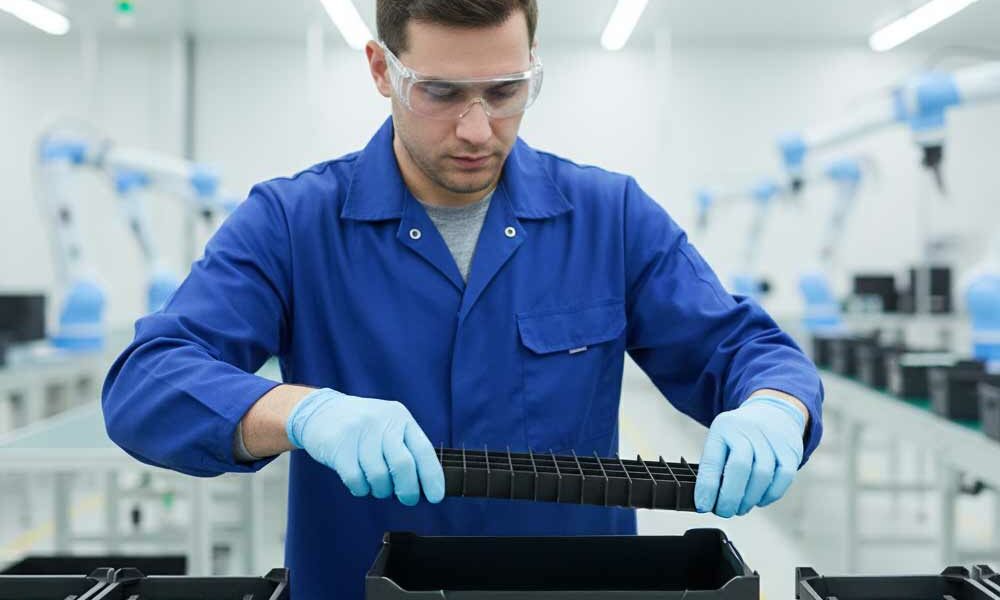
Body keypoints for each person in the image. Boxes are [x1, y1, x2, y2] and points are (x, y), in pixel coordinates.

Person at [102, 1, 823, 597]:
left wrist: (773, 409)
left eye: (506, 92)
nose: (478, 129)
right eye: (441, 93)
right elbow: (146, 381)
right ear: (382, 70)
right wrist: (302, 412)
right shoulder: (294, 224)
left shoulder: (610, 217)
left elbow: (745, 350)